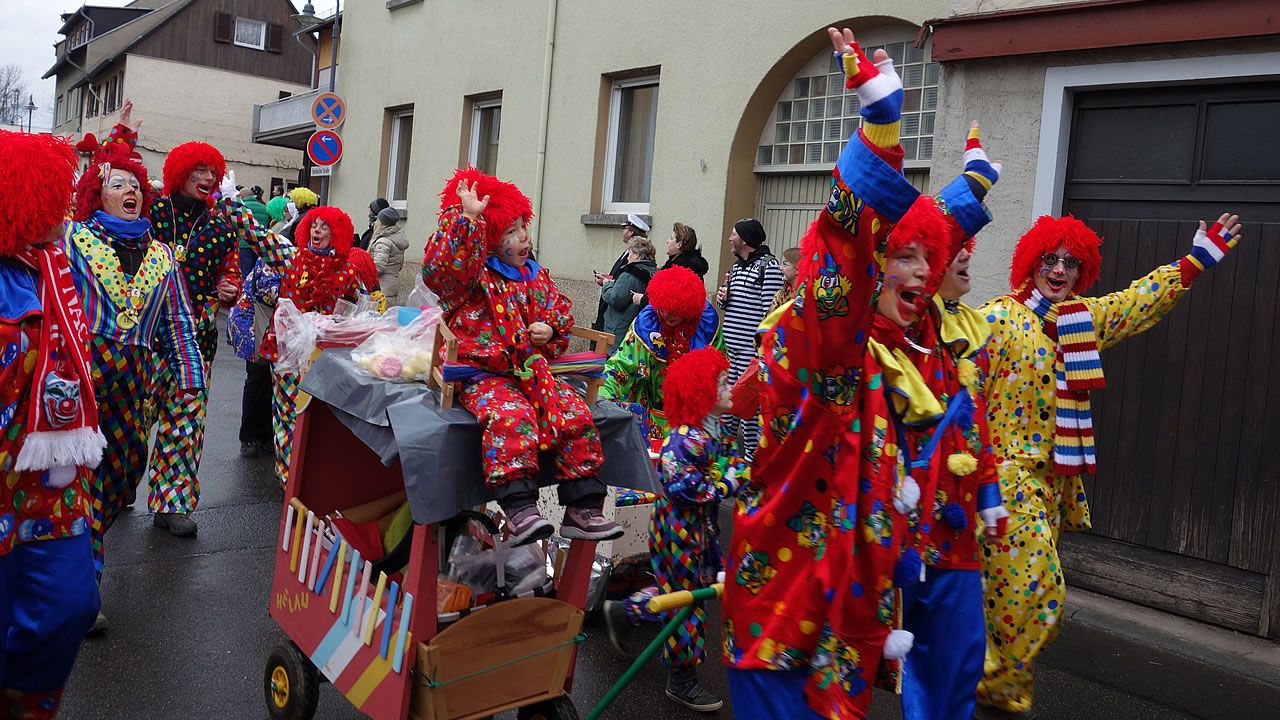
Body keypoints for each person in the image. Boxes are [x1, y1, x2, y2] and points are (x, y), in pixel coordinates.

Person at [722, 28, 999, 719]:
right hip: (786, 612)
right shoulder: (825, 345)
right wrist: (879, 126)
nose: (923, 275)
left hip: (848, 618)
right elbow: (843, 254)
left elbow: (924, 231)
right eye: (902, 260)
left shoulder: (895, 348)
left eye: (925, 262)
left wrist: (973, 187)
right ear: (870, 269)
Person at [975, 211, 1242, 719]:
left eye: (1070, 263)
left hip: (1053, 483)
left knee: (1005, 596)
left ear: (1082, 271)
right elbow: (960, 389)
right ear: (1030, 263)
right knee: (1038, 587)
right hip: (1005, 476)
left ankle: (992, 684)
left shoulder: (1081, 319)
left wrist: (1197, 258)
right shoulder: (996, 319)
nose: (1059, 270)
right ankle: (990, 681)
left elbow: (1137, 302)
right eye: (1049, 260)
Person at [422, 167, 624, 545]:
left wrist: (550, 329)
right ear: (489, 239)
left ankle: (583, 508)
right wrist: (467, 219)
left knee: (574, 411)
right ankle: (518, 510)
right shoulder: (470, 276)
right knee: (511, 417)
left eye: (523, 228)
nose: (523, 239)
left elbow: (560, 311)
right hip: (484, 374)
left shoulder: (534, 275)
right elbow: (440, 271)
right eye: (510, 232)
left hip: (534, 372)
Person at [65, 109, 206, 608]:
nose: (131, 192)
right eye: (118, 183)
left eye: (136, 186)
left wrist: (190, 374)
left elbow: (178, 322)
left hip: (133, 386)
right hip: (80, 382)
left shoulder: (163, 256)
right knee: (89, 484)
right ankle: (85, 592)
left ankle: (84, 555)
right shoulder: (74, 242)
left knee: (125, 473)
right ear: (96, 192)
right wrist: (116, 141)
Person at [142, 110, 291, 536]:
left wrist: (227, 284)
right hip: (146, 338)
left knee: (184, 423)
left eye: (213, 171)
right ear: (180, 173)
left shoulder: (225, 220)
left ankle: (171, 503)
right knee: (135, 423)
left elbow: (246, 264)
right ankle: (109, 495)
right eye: (199, 170)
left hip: (196, 339)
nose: (207, 176)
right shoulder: (153, 212)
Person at [0, 129, 105, 719]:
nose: (63, 213)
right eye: (50, 199)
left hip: (49, 483)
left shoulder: (57, 270)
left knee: (70, 606)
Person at [603, 348, 747, 712]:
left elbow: (731, 465)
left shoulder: (715, 430)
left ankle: (628, 611)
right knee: (689, 604)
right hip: (677, 532)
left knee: (679, 592)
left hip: (698, 531)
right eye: (723, 383)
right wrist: (727, 485)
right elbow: (683, 487)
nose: (730, 388)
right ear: (703, 392)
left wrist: (743, 472)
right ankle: (681, 680)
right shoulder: (683, 439)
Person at [257, 207, 364, 486]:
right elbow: (260, 239)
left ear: (337, 235)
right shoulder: (292, 259)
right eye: (314, 226)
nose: (317, 231)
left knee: (321, 419)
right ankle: (289, 476)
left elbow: (359, 309)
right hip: (288, 353)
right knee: (288, 414)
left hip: (325, 355)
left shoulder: (348, 271)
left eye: (325, 227)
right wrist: (231, 204)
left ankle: (313, 477)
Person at [602, 266, 724, 440]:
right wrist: (602, 399)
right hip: (652, 414)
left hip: (696, 421)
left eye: (675, 311)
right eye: (663, 309)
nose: (667, 316)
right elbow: (621, 365)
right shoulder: (647, 323)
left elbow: (718, 376)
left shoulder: (706, 326)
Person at [715, 216, 783, 460]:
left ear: (744, 239)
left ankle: (753, 461)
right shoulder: (736, 267)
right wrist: (723, 299)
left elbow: (771, 313)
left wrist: (760, 351)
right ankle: (725, 456)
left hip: (750, 352)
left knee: (749, 408)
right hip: (732, 350)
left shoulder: (769, 267)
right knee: (729, 405)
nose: (730, 239)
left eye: (733, 234)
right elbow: (730, 306)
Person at [599, 236, 657, 354]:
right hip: (637, 330)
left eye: (630, 253)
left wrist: (607, 285)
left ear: (637, 255)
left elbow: (615, 299)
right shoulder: (653, 273)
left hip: (619, 331)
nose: (627, 258)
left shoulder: (630, 274)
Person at [593, 213, 650, 330]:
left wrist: (607, 283)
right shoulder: (628, 253)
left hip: (619, 321)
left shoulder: (636, 258)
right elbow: (620, 279)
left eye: (624, 228)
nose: (622, 231)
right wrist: (607, 279)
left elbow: (622, 291)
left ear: (630, 232)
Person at [368, 206, 409, 305]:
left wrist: (366, 273)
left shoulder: (384, 241)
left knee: (377, 319)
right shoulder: (396, 238)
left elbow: (378, 266)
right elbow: (400, 265)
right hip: (391, 285)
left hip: (382, 288)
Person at [767, 247, 801, 315]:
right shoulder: (780, 294)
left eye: (785, 264)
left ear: (797, 269)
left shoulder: (804, 295)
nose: (780, 268)